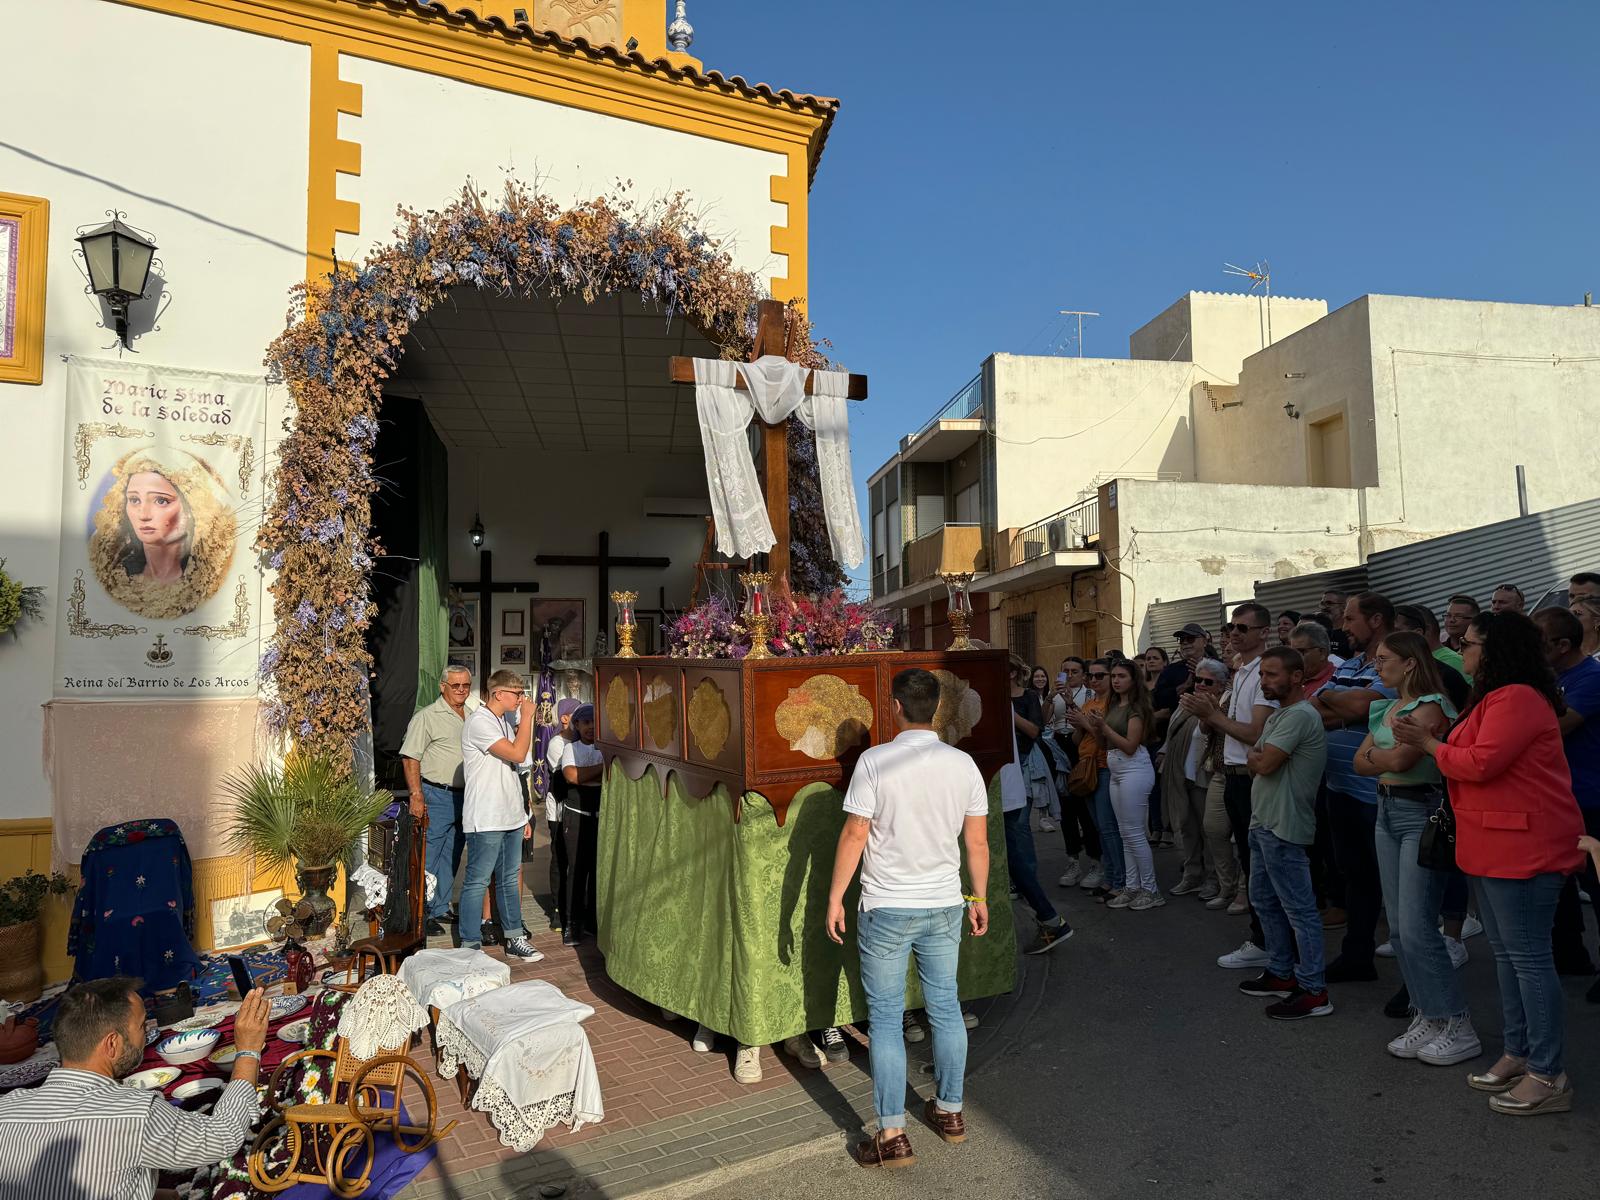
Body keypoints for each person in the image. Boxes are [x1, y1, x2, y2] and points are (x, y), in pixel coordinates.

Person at [1394, 611, 1585, 1115]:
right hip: (1494, 844)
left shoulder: (1518, 697)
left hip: (1524, 847)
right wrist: (1432, 739)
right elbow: (1469, 752)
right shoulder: (1499, 696)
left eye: (1471, 643)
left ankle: (1548, 1074)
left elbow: (1479, 763)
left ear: (1494, 650)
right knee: (1507, 956)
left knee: (1528, 959)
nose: (1464, 650)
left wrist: (1425, 743)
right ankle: (1519, 1054)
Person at [826, 668, 991, 1169]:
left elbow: (856, 833)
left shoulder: (875, 761)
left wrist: (835, 897)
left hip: (886, 904)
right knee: (944, 1006)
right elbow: (977, 842)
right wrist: (978, 897)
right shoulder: (962, 763)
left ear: (895, 707)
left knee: (885, 1019)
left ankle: (892, 1133)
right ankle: (951, 1111)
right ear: (936, 708)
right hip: (943, 902)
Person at [0, 978, 269, 1199]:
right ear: (112, 1044)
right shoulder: (135, 1113)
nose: (147, 1033)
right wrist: (248, 1049)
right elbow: (223, 1136)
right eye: (142, 1026)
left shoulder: (6, 1109)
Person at [1353, 632, 1480, 1063]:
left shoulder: (1431, 705)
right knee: (1400, 928)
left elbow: (1402, 762)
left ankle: (1457, 1022)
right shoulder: (1387, 708)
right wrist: (1380, 758)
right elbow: (1359, 762)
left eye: (1384, 658)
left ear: (1409, 663)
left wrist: (1378, 758)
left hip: (1417, 814)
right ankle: (1428, 1013)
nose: (1376, 664)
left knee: (1417, 926)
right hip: (1386, 811)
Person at [1234, 647, 1331, 1018]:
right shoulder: (1279, 716)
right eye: (1262, 675)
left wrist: (1260, 759)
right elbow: (1254, 759)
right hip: (1264, 822)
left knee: (1299, 909)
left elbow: (1265, 762)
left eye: (1272, 675)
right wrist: (1259, 759)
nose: (1264, 681)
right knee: (1264, 900)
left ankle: (1313, 988)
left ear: (1296, 676)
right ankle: (1280, 971)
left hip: (1284, 826)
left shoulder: (1301, 715)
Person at [1309, 592, 1398, 984]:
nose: (1343, 627)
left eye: (1349, 619)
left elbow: (1366, 707)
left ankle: (1415, 984)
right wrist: (1340, 704)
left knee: (1395, 889)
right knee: (1355, 879)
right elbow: (1314, 709)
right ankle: (1357, 956)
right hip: (1340, 788)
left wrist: (1333, 699)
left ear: (1375, 620)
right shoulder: (1354, 664)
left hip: (1377, 794)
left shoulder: (1395, 662)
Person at [1182, 602, 1276, 965]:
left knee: (1260, 865)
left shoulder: (1263, 673)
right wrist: (1209, 715)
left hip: (1251, 777)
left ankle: (1268, 944)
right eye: (1231, 627)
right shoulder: (1241, 671)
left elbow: (1254, 732)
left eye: (1243, 628)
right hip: (1234, 775)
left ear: (1263, 632)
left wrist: (1211, 715)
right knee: (1251, 862)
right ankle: (1264, 939)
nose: (1234, 633)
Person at [1534, 607, 1600, 999]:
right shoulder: (1552, 677)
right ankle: (1571, 953)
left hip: (1591, 798)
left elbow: (1556, 727)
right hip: (1561, 796)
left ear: (1563, 645)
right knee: (1558, 881)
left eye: (1540, 645)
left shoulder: (1591, 678)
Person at [458, 669, 543, 961]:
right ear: (498, 694)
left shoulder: (506, 722)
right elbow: (518, 754)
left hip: (510, 813)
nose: (521, 699)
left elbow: (521, 768)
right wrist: (528, 718)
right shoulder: (479, 722)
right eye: (517, 693)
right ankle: (470, 944)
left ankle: (514, 936)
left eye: (522, 693)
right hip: (486, 815)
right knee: (478, 880)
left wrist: (525, 811)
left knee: (509, 878)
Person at [1072, 659, 1162, 909]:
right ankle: (1132, 887)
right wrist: (1096, 728)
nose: (1116, 680)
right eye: (1114, 676)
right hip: (1115, 766)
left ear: (1133, 680)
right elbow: (1104, 745)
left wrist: (1102, 728)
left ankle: (1151, 889)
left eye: (1122, 676)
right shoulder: (1112, 705)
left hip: (1134, 768)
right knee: (1124, 832)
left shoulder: (1137, 707)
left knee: (1134, 833)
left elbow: (1130, 746)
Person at [1007, 658, 1075, 952]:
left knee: (1016, 838)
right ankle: (1043, 912)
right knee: (1008, 845)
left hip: (1019, 769)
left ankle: (1046, 914)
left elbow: (1034, 731)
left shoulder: (1026, 698)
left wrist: (1009, 713)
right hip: (1003, 775)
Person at [400, 665, 473, 935]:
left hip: (465, 797)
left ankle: (440, 907)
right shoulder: (427, 717)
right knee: (428, 856)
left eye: (466, 685)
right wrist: (416, 795)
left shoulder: (472, 715)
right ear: (442, 686)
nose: (461, 690)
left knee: (452, 855)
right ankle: (421, 912)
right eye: (455, 685)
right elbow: (410, 757)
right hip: (436, 794)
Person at [1290, 620, 1346, 929]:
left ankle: (1339, 901)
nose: (1296, 657)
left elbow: (1338, 715)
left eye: (1302, 651)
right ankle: (1314, 898)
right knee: (1307, 841)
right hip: (1299, 772)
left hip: (1328, 772)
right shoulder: (1295, 680)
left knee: (1330, 841)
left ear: (1322, 652)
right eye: (1292, 651)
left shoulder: (1338, 677)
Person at [1160, 657, 1227, 897]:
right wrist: (1163, 752)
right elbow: (1172, 733)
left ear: (1220, 685)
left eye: (1207, 681)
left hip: (1205, 778)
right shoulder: (1186, 702)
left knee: (1208, 831)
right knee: (1186, 828)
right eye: (1198, 679)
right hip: (1180, 774)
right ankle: (1192, 874)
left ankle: (1212, 878)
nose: (1200, 684)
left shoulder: (1222, 706)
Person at [1048, 658, 1102, 888]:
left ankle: (1096, 862)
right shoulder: (1055, 693)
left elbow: (1088, 723)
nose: (1069, 675)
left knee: (1085, 807)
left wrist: (1071, 704)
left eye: (1075, 671)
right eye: (1066, 671)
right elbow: (1045, 719)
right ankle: (1072, 860)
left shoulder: (1089, 695)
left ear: (1083, 675)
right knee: (1066, 807)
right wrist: (1051, 698)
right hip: (1058, 745)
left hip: (1080, 747)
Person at [1074, 660, 1124, 901]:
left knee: (1108, 827)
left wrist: (1086, 724)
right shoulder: (1088, 702)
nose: (1094, 681)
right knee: (1098, 828)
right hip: (1086, 766)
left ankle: (1119, 880)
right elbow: (1079, 740)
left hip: (1104, 767)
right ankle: (1110, 877)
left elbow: (1107, 739)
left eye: (1099, 676)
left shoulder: (1113, 704)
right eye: (1091, 676)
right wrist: (1078, 726)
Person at [560, 704, 605, 947]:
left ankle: (593, 921)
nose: (591, 726)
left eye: (594, 721)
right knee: (576, 871)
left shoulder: (605, 749)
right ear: (576, 725)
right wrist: (601, 770)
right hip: (576, 815)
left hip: (601, 814)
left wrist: (588, 773)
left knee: (599, 870)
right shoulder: (571, 749)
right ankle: (571, 923)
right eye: (585, 722)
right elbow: (572, 776)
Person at [543, 697, 581, 936]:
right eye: (577, 716)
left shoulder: (584, 743)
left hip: (577, 810)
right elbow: (568, 776)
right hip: (558, 812)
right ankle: (557, 909)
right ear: (565, 718)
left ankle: (576, 908)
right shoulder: (557, 743)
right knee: (560, 859)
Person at [1393, 603, 1471, 708]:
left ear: (1421, 632)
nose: (1388, 638)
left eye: (1396, 632)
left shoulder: (1452, 663)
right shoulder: (1401, 664)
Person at [1026, 666, 1061, 830]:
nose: (1040, 679)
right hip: (1040, 742)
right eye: (1037, 677)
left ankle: (1049, 814)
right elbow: (1041, 721)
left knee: (1053, 778)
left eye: (1043, 676)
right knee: (1041, 779)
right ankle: (1043, 817)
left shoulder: (1051, 696)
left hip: (1054, 741)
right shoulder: (1030, 697)